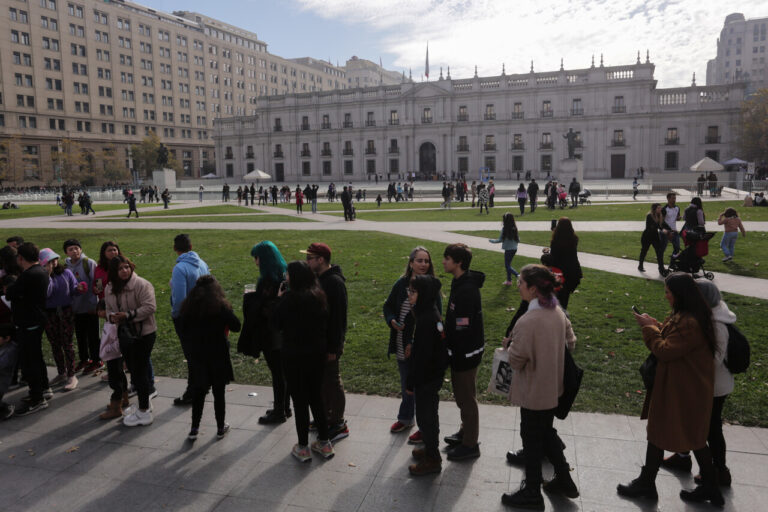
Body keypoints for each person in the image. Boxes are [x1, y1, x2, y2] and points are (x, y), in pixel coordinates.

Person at [618, 273, 723, 507]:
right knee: (685, 436)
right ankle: (708, 487)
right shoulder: (688, 316)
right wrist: (656, 325)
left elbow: (665, 350)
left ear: (680, 295)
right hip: (681, 387)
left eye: (668, 292)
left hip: (683, 390)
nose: (665, 296)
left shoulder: (690, 322)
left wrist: (649, 329)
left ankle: (652, 485)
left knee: (679, 436)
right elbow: (675, 342)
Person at [502, 264, 578, 508]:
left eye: (521, 283)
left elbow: (515, 360)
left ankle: (532, 491)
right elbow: (571, 342)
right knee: (545, 433)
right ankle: (564, 479)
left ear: (533, 289)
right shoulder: (557, 312)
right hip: (553, 388)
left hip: (534, 391)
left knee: (532, 439)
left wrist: (510, 345)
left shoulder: (528, 321)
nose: (518, 286)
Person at [661, 281, 736, 487]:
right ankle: (683, 458)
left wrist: (684, 354)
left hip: (714, 387)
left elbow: (712, 360)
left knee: (710, 429)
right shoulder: (709, 316)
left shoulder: (717, 324)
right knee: (692, 423)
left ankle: (720, 471)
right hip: (704, 383)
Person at [275, 261, 335, 462]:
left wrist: (279, 300)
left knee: (300, 400)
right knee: (315, 397)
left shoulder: (289, 299)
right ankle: (325, 443)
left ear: (294, 278)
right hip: (316, 354)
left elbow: (275, 323)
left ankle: (302, 447)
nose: (286, 277)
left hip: (294, 355)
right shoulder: (319, 296)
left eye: (288, 274)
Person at [383, 246, 442, 444]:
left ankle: (424, 428)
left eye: (426, 261)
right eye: (419, 260)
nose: (423, 264)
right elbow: (388, 306)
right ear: (411, 263)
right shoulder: (401, 284)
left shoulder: (431, 286)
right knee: (406, 382)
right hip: (402, 342)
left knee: (421, 386)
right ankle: (406, 418)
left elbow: (436, 317)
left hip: (422, 344)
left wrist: (417, 341)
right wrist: (392, 320)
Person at [181, 275, 241, 441]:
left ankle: (194, 428)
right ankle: (220, 427)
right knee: (218, 393)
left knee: (199, 392)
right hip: (218, 354)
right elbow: (236, 326)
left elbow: (183, 328)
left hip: (198, 355)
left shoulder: (188, 307)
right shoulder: (220, 306)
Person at [302, 242, 349, 443]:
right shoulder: (319, 279)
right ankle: (326, 416)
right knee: (322, 381)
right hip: (319, 342)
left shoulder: (334, 283)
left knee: (332, 381)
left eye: (309, 258)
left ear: (321, 260)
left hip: (329, 343)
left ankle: (338, 422)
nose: (307, 261)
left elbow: (338, 318)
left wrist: (334, 347)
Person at [442, 243, 484, 461]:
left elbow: (462, 326)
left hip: (465, 352)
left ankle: (470, 444)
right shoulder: (459, 281)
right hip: (462, 350)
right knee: (463, 396)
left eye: (447, 258)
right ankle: (465, 431)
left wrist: (451, 347)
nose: (443, 262)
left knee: (466, 398)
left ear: (458, 262)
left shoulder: (467, 289)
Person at [241, 241, 291, 424]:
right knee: (282, 372)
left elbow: (267, 309)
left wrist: (250, 299)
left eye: (257, 257)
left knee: (277, 373)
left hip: (272, 334)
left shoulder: (268, 281)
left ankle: (279, 411)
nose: (255, 262)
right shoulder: (284, 275)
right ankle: (285, 407)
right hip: (283, 333)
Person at [104, 255, 157, 427]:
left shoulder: (141, 284)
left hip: (144, 334)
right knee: (134, 371)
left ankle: (144, 412)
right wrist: (112, 318)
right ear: (113, 272)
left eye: (126, 267)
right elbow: (108, 310)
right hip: (124, 335)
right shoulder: (109, 288)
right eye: (120, 269)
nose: (125, 271)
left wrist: (127, 316)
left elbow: (150, 307)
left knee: (140, 372)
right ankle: (144, 405)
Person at [403, 274, 447, 476]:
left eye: (413, 292)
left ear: (424, 294)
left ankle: (433, 458)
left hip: (427, 378)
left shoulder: (427, 320)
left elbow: (422, 358)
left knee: (426, 416)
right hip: (431, 375)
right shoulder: (427, 312)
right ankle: (430, 450)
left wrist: (411, 382)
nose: (409, 295)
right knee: (428, 415)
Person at [6, 243, 51, 416]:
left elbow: (11, 293)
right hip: (36, 320)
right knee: (36, 357)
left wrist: (14, 289)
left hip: (28, 323)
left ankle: (37, 397)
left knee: (29, 361)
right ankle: (43, 387)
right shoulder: (41, 271)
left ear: (20, 258)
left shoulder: (28, 275)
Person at [170, 234, 210, 406]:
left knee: (191, 355)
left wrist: (176, 314)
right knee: (199, 354)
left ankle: (192, 391)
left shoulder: (180, 268)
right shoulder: (202, 264)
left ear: (175, 249)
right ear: (191, 246)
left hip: (187, 317)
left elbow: (179, 299)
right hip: (203, 315)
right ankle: (202, 385)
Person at [40, 248, 83, 392]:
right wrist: (47, 275)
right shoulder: (42, 277)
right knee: (55, 343)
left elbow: (73, 289)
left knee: (67, 343)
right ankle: (61, 372)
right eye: (49, 262)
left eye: (55, 260)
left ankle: (72, 375)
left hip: (65, 312)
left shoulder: (66, 272)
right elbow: (46, 293)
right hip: (49, 314)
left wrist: (79, 289)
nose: (54, 263)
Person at [63, 239, 101, 375]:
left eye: (76, 248)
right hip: (75, 308)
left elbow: (98, 282)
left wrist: (95, 302)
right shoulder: (65, 267)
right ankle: (84, 359)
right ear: (66, 252)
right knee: (80, 335)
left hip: (90, 307)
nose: (74, 251)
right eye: (70, 249)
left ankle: (97, 360)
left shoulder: (88, 263)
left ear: (80, 249)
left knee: (93, 335)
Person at [546, 218, 582, 310]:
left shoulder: (556, 241)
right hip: (572, 270)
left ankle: (559, 318)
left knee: (558, 298)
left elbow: (554, 257)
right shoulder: (574, 239)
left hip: (560, 271)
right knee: (565, 298)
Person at [489, 213, 520, 285]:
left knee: (507, 266)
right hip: (514, 249)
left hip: (509, 250)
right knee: (508, 265)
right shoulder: (514, 228)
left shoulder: (505, 229)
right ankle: (509, 281)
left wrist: (492, 241)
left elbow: (500, 240)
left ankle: (518, 275)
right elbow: (518, 239)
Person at [638, 204, 667, 275]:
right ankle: (640, 265)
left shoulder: (660, 216)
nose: (660, 209)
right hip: (647, 236)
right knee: (644, 251)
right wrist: (662, 229)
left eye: (660, 208)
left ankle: (661, 268)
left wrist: (669, 229)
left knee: (659, 252)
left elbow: (663, 224)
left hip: (655, 236)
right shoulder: (649, 216)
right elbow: (652, 226)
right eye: (658, 208)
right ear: (654, 209)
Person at [661, 193, 682, 258]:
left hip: (674, 231)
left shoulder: (677, 208)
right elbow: (661, 222)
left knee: (677, 248)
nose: (674, 200)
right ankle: (660, 265)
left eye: (675, 198)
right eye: (673, 198)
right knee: (662, 249)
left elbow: (676, 218)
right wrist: (667, 232)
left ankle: (672, 264)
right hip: (666, 232)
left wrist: (678, 218)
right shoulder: (664, 209)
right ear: (668, 199)